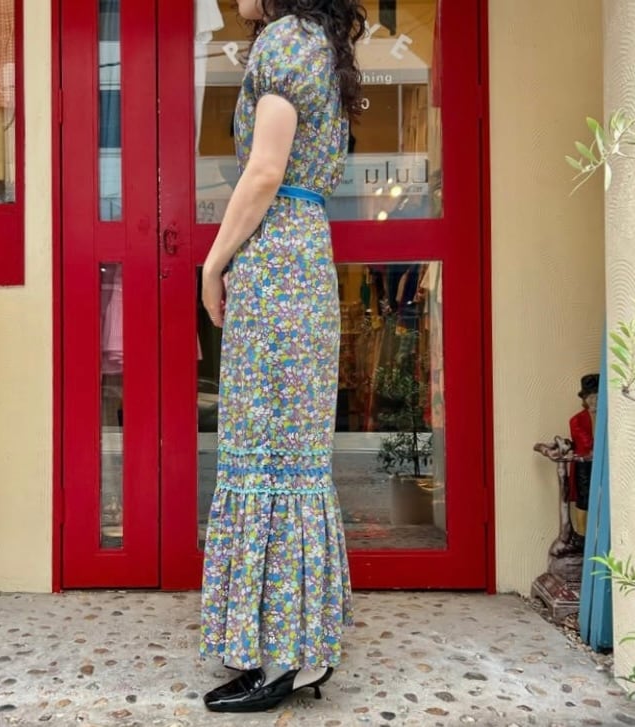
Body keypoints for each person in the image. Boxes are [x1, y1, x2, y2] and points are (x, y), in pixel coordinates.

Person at [198, 0, 366, 713]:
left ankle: (282, 658)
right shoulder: (315, 42)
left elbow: (265, 170)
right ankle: (289, 649)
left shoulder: (285, 42)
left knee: (266, 456)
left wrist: (212, 263)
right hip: (301, 261)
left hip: (277, 270)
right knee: (286, 459)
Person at [569, 373, 598, 536]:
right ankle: (582, 534)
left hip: (602, 463)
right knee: (584, 498)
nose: (594, 400)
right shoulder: (576, 420)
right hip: (584, 465)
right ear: (585, 398)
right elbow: (586, 441)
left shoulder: (608, 418)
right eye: (591, 397)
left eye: (597, 396)